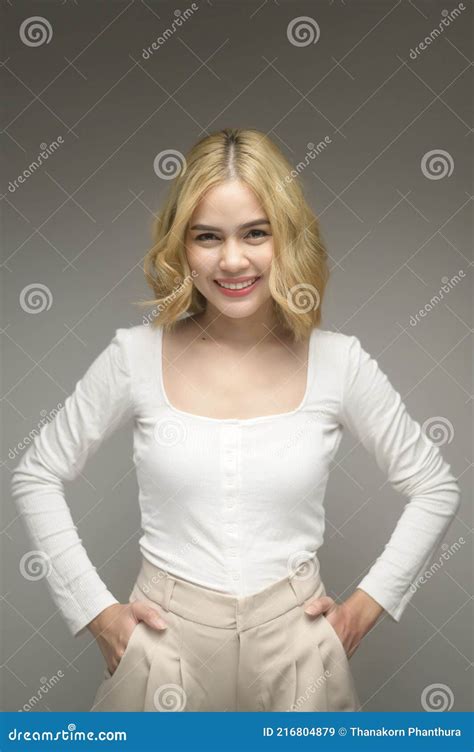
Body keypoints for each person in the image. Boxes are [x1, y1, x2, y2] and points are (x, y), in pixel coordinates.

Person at [10, 127, 461, 713]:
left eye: (255, 233)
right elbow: (37, 473)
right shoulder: (134, 357)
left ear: (287, 236)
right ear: (182, 247)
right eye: (207, 237)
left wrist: (360, 612)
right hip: (163, 649)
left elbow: (435, 486)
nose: (232, 259)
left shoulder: (338, 361)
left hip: (299, 654)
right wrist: (99, 615)